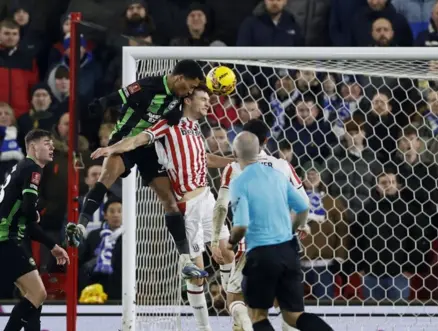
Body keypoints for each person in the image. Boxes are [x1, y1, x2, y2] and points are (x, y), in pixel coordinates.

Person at [91, 85, 233, 331]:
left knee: (228, 254)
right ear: (188, 99)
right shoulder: (169, 124)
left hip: (207, 198)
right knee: (196, 273)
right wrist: (112, 148)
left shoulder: (195, 127)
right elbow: (138, 138)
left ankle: (236, 320)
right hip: (186, 206)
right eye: (203, 99)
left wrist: (235, 161)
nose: (208, 104)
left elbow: (205, 158)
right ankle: (204, 327)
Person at [67, 60, 223, 278]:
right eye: (189, 86)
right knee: (106, 177)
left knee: (169, 200)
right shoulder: (148, 86)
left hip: (150, 149)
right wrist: (101, 103)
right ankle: (81, 226)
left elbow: (192, 107)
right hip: (126, 141)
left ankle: (186, 260)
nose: (189, 91)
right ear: (179, 78)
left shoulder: (180, 98)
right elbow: (121, 95)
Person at [226, 131, 332, 331]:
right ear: (259, 151)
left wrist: (231, 242)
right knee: (294, 316)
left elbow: (241, 225)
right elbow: (303, 206)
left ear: (234, 152)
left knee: (257, 316)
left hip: (262, 254)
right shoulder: (277, 175)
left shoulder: (239, 182)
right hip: (288, 252)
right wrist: (291, 230)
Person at [211, 118, 309, 331]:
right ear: (266, 140)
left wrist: (215, 239)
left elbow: (220, 207)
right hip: (284, 247)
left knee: (234, 300)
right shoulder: (282, 166)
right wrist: (297, 227)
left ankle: (245, 324)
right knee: (288, 309)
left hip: (253, 247)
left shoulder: (234, 168)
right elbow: (304, 204)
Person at [1, 129, 70, 331]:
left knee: (34, 296)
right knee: (38, 293)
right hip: (6, 239)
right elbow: (28, 210)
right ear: (33, 146)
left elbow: (28, 221)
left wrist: (53, 246)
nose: (52, 147)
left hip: (10, 237)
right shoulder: (33, 169)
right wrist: (35, 213)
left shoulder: (22, 167)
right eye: (47, 143)